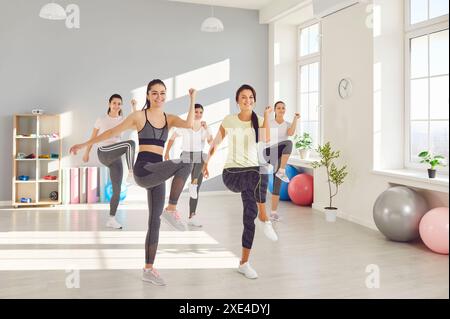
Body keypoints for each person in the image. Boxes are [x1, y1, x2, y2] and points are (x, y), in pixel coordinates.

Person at [70, 79, 196, 286]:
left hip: (158, 171)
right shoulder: (139, 116)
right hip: (144, 169)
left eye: (162, 93)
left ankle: (148, 269)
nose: (159, 97)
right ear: (148, 95)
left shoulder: (169, 118)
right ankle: (171, 208)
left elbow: (190, 125)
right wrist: (85, 145)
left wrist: (192, 99)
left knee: (154, 222)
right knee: (186, 161)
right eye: (154, 93)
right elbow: (111, 132)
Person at [203, 84, 278, 280]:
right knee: (259, 172)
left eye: (251, 97)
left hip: (252, 179)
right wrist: (206, 163)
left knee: (248, 219)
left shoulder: (260, 120)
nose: (247, 100)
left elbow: (267, 139)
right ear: (237, 101)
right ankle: (265, 217)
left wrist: (267, 117)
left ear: (254, 99)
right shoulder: (229, 120)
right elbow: (216, 143)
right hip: (232, 174)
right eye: (243, 97)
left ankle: (244, 263)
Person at [82, 94, 136, 229]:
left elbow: (135, 126)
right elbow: (93, 137)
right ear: (109, 104)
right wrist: (86, 152)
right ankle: (132, 172)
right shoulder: (101, 120)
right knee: (130, 144)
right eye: (114, 103)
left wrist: (134, 108)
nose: (116, 106)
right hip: (104, 152)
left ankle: (111, 219)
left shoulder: (123, 120)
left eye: (119, 104)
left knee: (117, 190)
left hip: (115, 157)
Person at [164, 103, 213, 227]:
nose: (198, 114)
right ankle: (172, 207)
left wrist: (207, 129)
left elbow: (211, 142)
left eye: (200, 112)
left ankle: (192, 216)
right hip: (186, 156)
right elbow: (172, 138)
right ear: (191, 113)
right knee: (189, 185)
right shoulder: (185, 126)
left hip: (199, 159)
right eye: (196, 112)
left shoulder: (204, 128)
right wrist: (167, 152)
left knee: (195, 189)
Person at [263, 101, 300, 221]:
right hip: (268, 152)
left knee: (277, 181)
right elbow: (264, 136)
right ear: (275, 110)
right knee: (288, 143)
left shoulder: (287, 124)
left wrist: (295, 119)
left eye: (283, 108)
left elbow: (291, 132)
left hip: (279, 155)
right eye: (278, 108)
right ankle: (282, 170)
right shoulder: (270, 122)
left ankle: (273, 213)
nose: (281, 110)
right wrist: (266, 116)